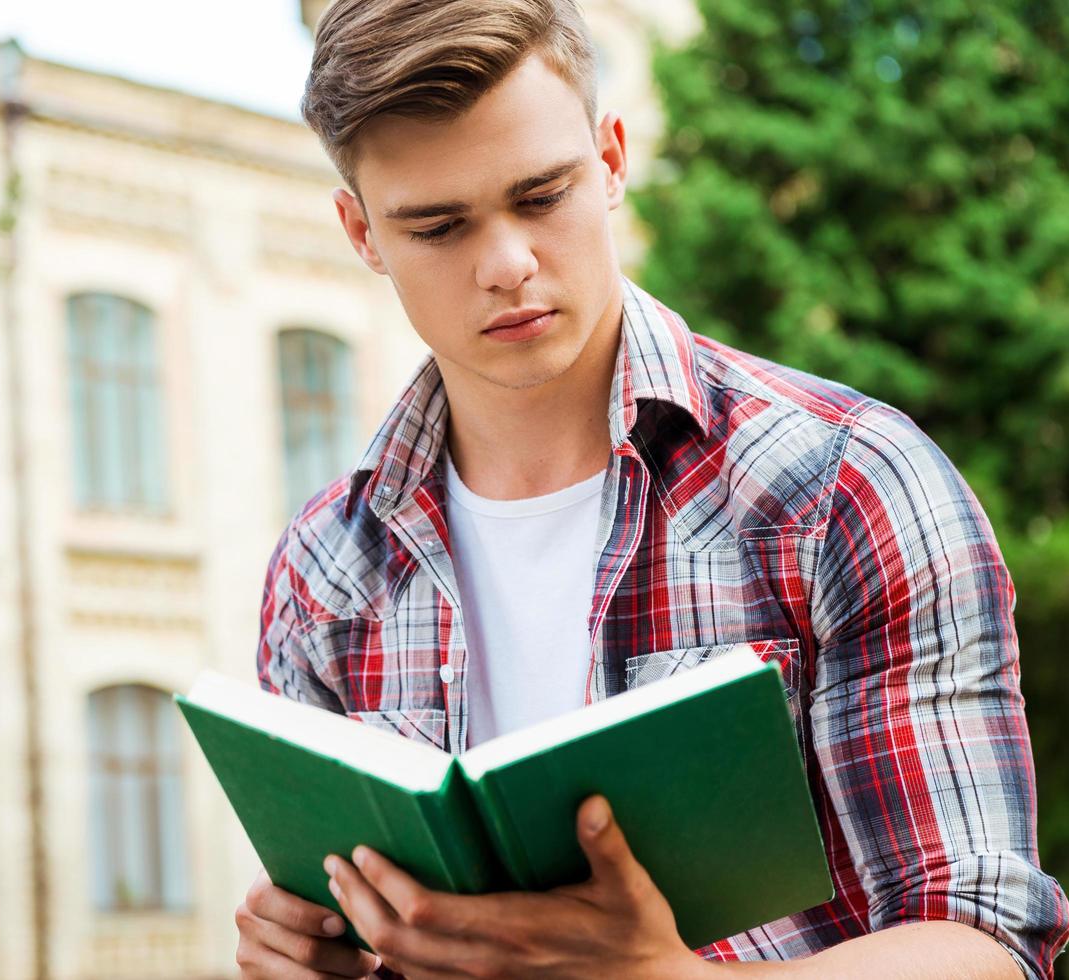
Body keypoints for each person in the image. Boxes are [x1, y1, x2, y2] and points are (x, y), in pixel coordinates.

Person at [235, 1, 1069, 977]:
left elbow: (984, 943)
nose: (505, 264)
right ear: (360, 231)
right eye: (436, 224)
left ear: (612, 158)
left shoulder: (843, 484)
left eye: (540, 195)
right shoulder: (321, 572)